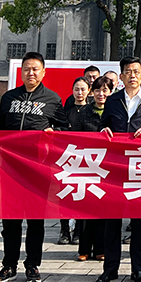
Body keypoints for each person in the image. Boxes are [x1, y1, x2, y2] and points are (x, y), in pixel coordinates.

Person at [0, 52, 65, 282]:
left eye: (35, 69)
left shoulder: (52, 99)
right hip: (9, 168)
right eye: (27, 69)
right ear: (21, 72)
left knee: (35, 221)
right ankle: (8, 265)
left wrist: (54, 133)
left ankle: (32, 265)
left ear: (43, 72)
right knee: (10, 221)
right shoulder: (9, 98)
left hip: (37, 169)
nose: (31, 73)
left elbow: (66, 130)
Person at [95, 57, 141, 282]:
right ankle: (110, 269)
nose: (133, 75)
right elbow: (102, 125)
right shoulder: (113, 100)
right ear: (121, 77)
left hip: (140, 166)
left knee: (139, 222)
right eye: (128, 72)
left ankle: (139, 269)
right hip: (115, 167)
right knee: (112, 221)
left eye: (136, 71)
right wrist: (103, 130)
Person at [71, 75, 112, 263]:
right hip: (87, 165)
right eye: (97, 90)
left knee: (104, 209)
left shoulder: (115, 111)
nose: (101, 94)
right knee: (85, 209)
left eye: (105, 90)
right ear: (91, 92)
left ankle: (101, 249)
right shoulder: (84, 112)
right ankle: (84, 249)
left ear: (110, 92)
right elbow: (75, 137)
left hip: (109, 167)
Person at [58, 76, 93, 245]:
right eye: (76, 89)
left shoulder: (92, 110)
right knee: (65, 195)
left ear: (89, 91)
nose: (79, 92)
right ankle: (64, 231)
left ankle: (79, 232)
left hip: (86, 159)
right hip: (67, 158)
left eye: (83, 89)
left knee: (81, 195)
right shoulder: (65, 111)